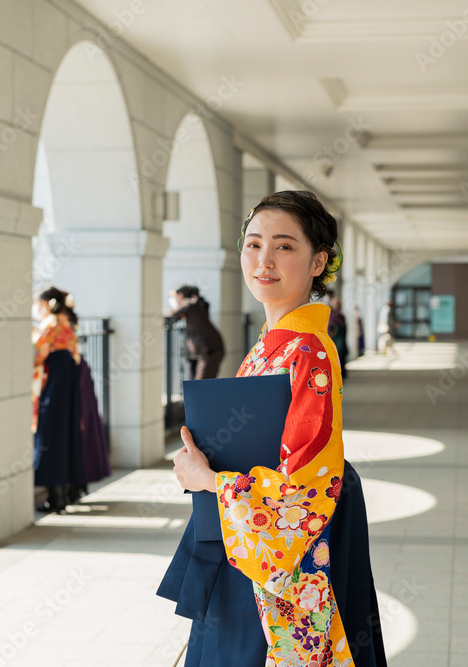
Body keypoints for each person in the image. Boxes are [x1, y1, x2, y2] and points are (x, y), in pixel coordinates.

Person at [159, 191, 386, 666]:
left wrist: (212, 482)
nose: (264, 260)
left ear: (318, 261)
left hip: (280, 546)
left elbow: (306, 486)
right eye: (253, 244)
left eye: (284, 246)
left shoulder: (307, 349)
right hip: (252, 534)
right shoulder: (274, 342)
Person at [32, 287, 84, 512]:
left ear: (45, 304)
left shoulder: (50, 324)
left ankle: (56, 496)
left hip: (53, 381)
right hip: (67, 381)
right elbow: (75, 353)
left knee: (49, 433)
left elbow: (36, 354)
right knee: (65, 432)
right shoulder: (64, 323)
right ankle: (64, 493)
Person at [168, 285, 225, 380]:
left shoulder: (190, 304)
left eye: (174, 297)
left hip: (208, 351)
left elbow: (170, 316)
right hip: (202, 351)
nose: (173, 300)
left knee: (202, 385)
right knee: (195, 384)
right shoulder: (197, 305)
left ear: (181, 295)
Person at [325, 288, 348, 379]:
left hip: (336, 339)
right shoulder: (341, 315)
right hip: (340, 339)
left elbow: (331, 328)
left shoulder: (334, 316)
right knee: (340, 356)